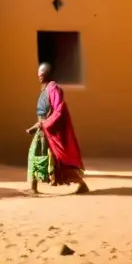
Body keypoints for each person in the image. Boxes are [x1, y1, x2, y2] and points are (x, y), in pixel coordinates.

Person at [26, 62, 89, 195]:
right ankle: (33, 187)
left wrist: (45, 124)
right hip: (42, 129)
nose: (40, 76)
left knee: (59, 162)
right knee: (34, 155)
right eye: (39, 74)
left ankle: (82, 185)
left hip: (50, 131)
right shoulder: (44, 90)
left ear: (47, 74)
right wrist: (36, 126)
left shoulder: (53, 89)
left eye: (42, 74)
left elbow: (59, 110)